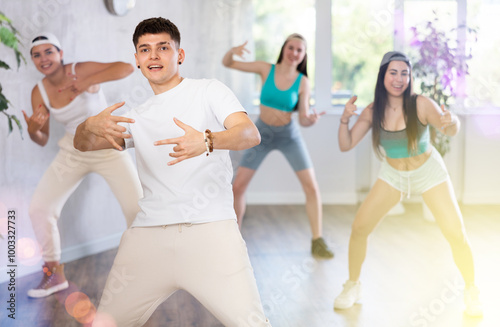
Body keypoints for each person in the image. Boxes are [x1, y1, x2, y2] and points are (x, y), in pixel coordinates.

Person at [73, 17, 271, 326]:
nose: (153, 55)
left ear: (179, 55)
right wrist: (87, 127)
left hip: (211, 231)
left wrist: (208, 140)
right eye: (145, 49)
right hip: (148, 237)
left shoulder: (209, 91)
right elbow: (84, 145)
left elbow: (250, 134)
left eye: (163, 47)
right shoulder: (136, 118)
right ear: (137, 60)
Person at [333, 51, 482, 317]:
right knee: (359, 228)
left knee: (456, 234)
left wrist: (453, 121)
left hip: (428, 172)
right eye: (393, 72)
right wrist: (345, 118)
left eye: (405, 73)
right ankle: (352, 285)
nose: (400, 78)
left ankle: (471, 290)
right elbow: (345, 145)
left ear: (410, 77)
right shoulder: (372, 111)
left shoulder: (420, 104)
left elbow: (449, 128)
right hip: (393, 175)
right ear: (383, 76)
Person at [23, 32, 142, 298]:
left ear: (60, 53)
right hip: (73, 151)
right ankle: (53, 274)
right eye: (37, 54)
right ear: (32, 60)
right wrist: (33, 129)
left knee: (137, 209)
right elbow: (41, 140)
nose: (44, 58)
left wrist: (90, 80)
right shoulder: (39, 91)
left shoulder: (79, 70)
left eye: (48, 52)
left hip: (107, 146)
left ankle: (145, 273)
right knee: (40, 209)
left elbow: (127, 67)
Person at [222, 35, 334, 259]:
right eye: (291, 48)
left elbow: (302, 117)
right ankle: (233, 242)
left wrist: (309, 120)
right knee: (238, 187)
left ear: (303, 56)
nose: (294, 53)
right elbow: (228, 63)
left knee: (311, 187)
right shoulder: (266, 69)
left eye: (299, 50)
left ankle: (318, 240)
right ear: (284, 49)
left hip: (288, 136)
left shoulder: (303, 81)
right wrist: (232, 51)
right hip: (261, 134)